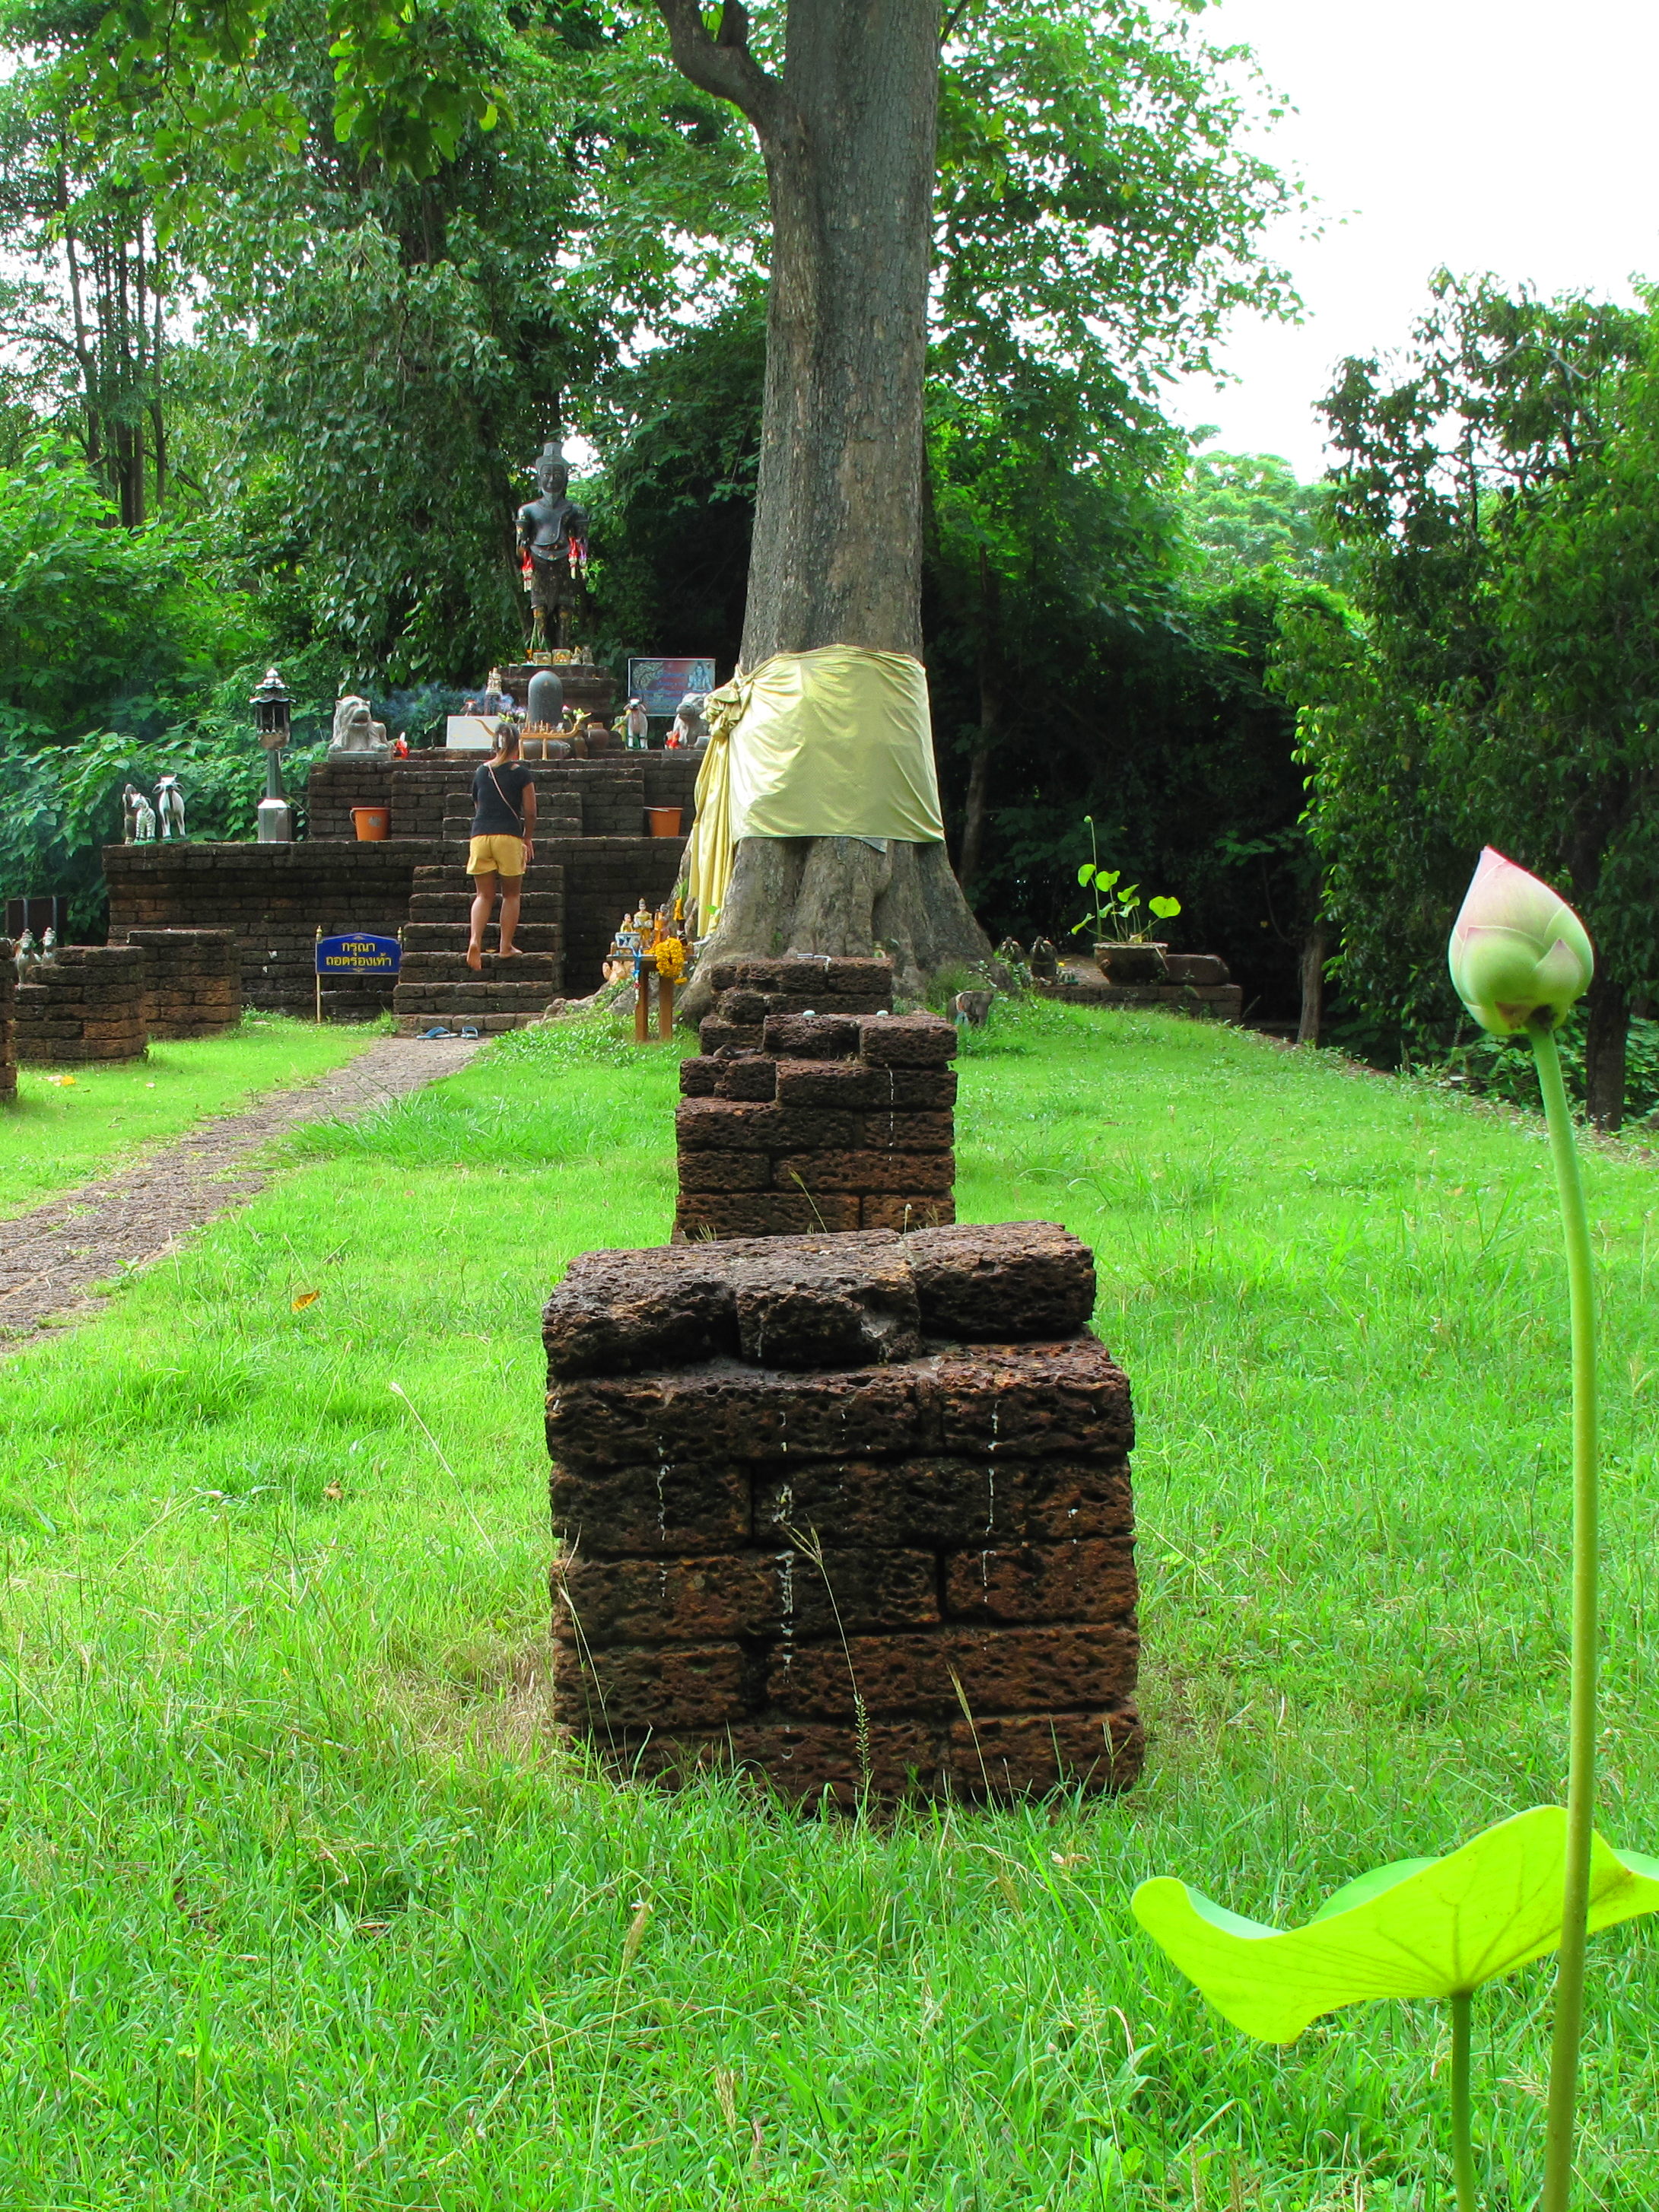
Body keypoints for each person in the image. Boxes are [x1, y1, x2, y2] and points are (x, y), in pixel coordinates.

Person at [466, 726, 537, 969]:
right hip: (508, 836)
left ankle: (475, 940)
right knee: (511, 894)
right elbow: (530, 811)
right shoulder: (521, 774)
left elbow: (477, 804)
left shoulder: (481, 771)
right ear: (517, 745)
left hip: (480, 836)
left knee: (483, 895)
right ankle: (505, 946)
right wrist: (527, 838)